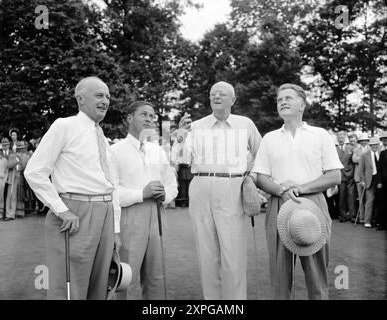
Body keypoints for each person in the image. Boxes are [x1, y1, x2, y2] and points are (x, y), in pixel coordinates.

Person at [25, 76, 121, 300]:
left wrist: (115, 228)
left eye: (107, 96)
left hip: (105, 215)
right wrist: (61, 209)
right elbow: (34, 171)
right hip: (75, 213)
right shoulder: (64, 126)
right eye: (99, 95)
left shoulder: (103, 139)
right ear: (80, 99)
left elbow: (111, 185)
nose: (105, 101)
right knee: (69, 290)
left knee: (101, 288)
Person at [250, 83, 342, 299]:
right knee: (280, 279)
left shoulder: (320, 135)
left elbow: (334, 176)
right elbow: (261, 177)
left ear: (302, 104)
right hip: (279, 205)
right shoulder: (269, 138)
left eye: (288, 98)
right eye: (280, 99)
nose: (283, 102)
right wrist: (282, 190)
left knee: (317, 277)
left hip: (313, 205)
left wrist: (300, 188)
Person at [179, 81, 262, 300]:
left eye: (222, 94)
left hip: (233, 188)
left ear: (233, 100)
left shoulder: (246, 124)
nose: (216, 96)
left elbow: (261, 155)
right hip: (201, 186)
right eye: (213, 93)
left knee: (232, 255)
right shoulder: (195, 126)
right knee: (207, 255)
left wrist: (249, 177)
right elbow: (178, 158)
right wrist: (178, 135)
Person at [111, 100, 178, 300]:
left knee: (157, 277)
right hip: (130, 216)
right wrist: (142, 193)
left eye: (151, 115)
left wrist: (165, 194)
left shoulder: (157, 151)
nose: (149, 119)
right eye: (144, 114)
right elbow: (112, 193)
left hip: (158, 215)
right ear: (130, 118)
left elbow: (172, 185)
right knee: (127, 278)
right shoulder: (115, 151)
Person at [358, 137, 382, 228]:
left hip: (380, 180)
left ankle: (378, 221)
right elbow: (361, 170)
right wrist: (363, 181)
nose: (374, 146)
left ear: (378, 145)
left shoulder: (381, 153)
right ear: (370, 145)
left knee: (380, 201)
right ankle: (367, 221)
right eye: (372, 145)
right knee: (370, 201)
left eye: (376, 144)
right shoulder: (365, 155)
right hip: (370, 180)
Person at [5, 141, 30, 219]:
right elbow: (9, 165)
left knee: (20, 195)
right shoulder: (12, 155)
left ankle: (20, 212)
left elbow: (26, 167)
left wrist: (22, 160)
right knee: (11, 195)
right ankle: (10, 214)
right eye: (19, 148)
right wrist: (17, 159)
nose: (21, 149)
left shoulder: (26, 157)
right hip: (13, 177)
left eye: (22, 148)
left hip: (21, 177)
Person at [336, 131, 356, 222]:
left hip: (350, 175)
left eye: (342, 138)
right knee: (341, 196)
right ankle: (343, 215)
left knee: (351, 196)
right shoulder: (334, 149)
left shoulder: (351, 148)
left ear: (345, 138)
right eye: (339, 138)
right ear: (337, 139)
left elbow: (355, 160)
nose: (340, 139)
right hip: (340, 176)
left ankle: (352, 215)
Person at [352, 133, 370, 223]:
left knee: (368, 198)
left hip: (368, 176)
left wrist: (360, 159)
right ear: (360, 141)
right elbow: (354, 159)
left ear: (367, 141)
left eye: (365, 140)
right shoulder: (356, 150)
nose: (364, 142)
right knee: (360, 198)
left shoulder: (370, 149)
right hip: (358, 176)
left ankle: (368, 218)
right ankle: (362, 217)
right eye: (362, 140)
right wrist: (363, 159)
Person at [378, 137, 387, 230]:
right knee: (382, 204)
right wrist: (379, 181)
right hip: (384, 183)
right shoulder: (383, 153)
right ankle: (382, 224)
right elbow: (379, 169)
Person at [0, 147, 8, 220]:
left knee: (1, 198)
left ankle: (0, 214)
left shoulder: (4, 160)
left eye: (0, 150)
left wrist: (4, 180)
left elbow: (7, 171)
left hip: (1, 180)